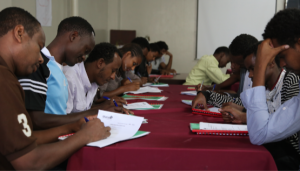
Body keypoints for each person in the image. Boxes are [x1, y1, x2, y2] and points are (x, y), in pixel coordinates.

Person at [0, 7, 110, 170]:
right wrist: (84, 136)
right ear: (19, 33)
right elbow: (29, 162)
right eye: (38, 47)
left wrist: (70, 127)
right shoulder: (4, 79)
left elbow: (25, 138)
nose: (40, 58)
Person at [224, 9, 300, 170]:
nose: (283, 64)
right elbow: (260, 132)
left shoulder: (290, 80)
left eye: (283, 56)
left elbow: (260, 134)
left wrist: (260, 66)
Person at [18, 16, 122, 130]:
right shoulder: (38, 64)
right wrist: (95, 111)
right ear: (73, 37)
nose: (83, 57)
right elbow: (36, 120)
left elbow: (61, 115)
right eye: (85, 51)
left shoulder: (59, 69)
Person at [191, 34, 258, 110]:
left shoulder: (259, 76)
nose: (232, 66)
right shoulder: (244, 71)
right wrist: (206, 95)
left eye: (239, 63)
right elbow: (240, 101)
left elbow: (251, 108)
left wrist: (242, 112)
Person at [64, 42, 126, 114]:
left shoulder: (94, 81)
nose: (113, 77)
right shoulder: (69, 77)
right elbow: (63, 119)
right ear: (100, 63)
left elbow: (84, 110)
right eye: (113, 71)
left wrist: (103, 106)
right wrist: (100, 110)